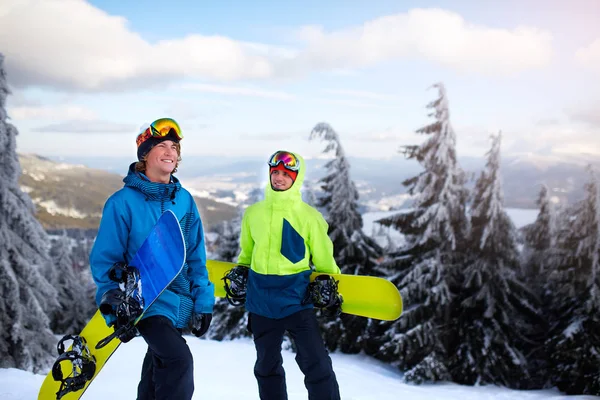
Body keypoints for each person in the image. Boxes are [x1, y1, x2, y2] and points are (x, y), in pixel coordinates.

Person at [89, 118, 215, 400]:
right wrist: (112, 297)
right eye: (161, 145)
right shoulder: (122, 202)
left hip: (177, 298)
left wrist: (204, 301)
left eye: (174, 146)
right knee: (177, 360)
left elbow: (196, 255)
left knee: (156, 369)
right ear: (145, 154)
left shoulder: (184, 201)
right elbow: (104, 259)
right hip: (144, 301)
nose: (170, 151)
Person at [237, 149, 342, 400]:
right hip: (261, 302)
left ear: (296, 178)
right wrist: (241, 271)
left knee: (316, 363)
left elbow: (324, 258)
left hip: (297, 299)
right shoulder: (253, 214)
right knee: (266, 366)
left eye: (286, 174)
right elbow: (246, 254)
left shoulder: (308, 217)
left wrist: (330, 282)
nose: (280, 178)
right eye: (276, 173)